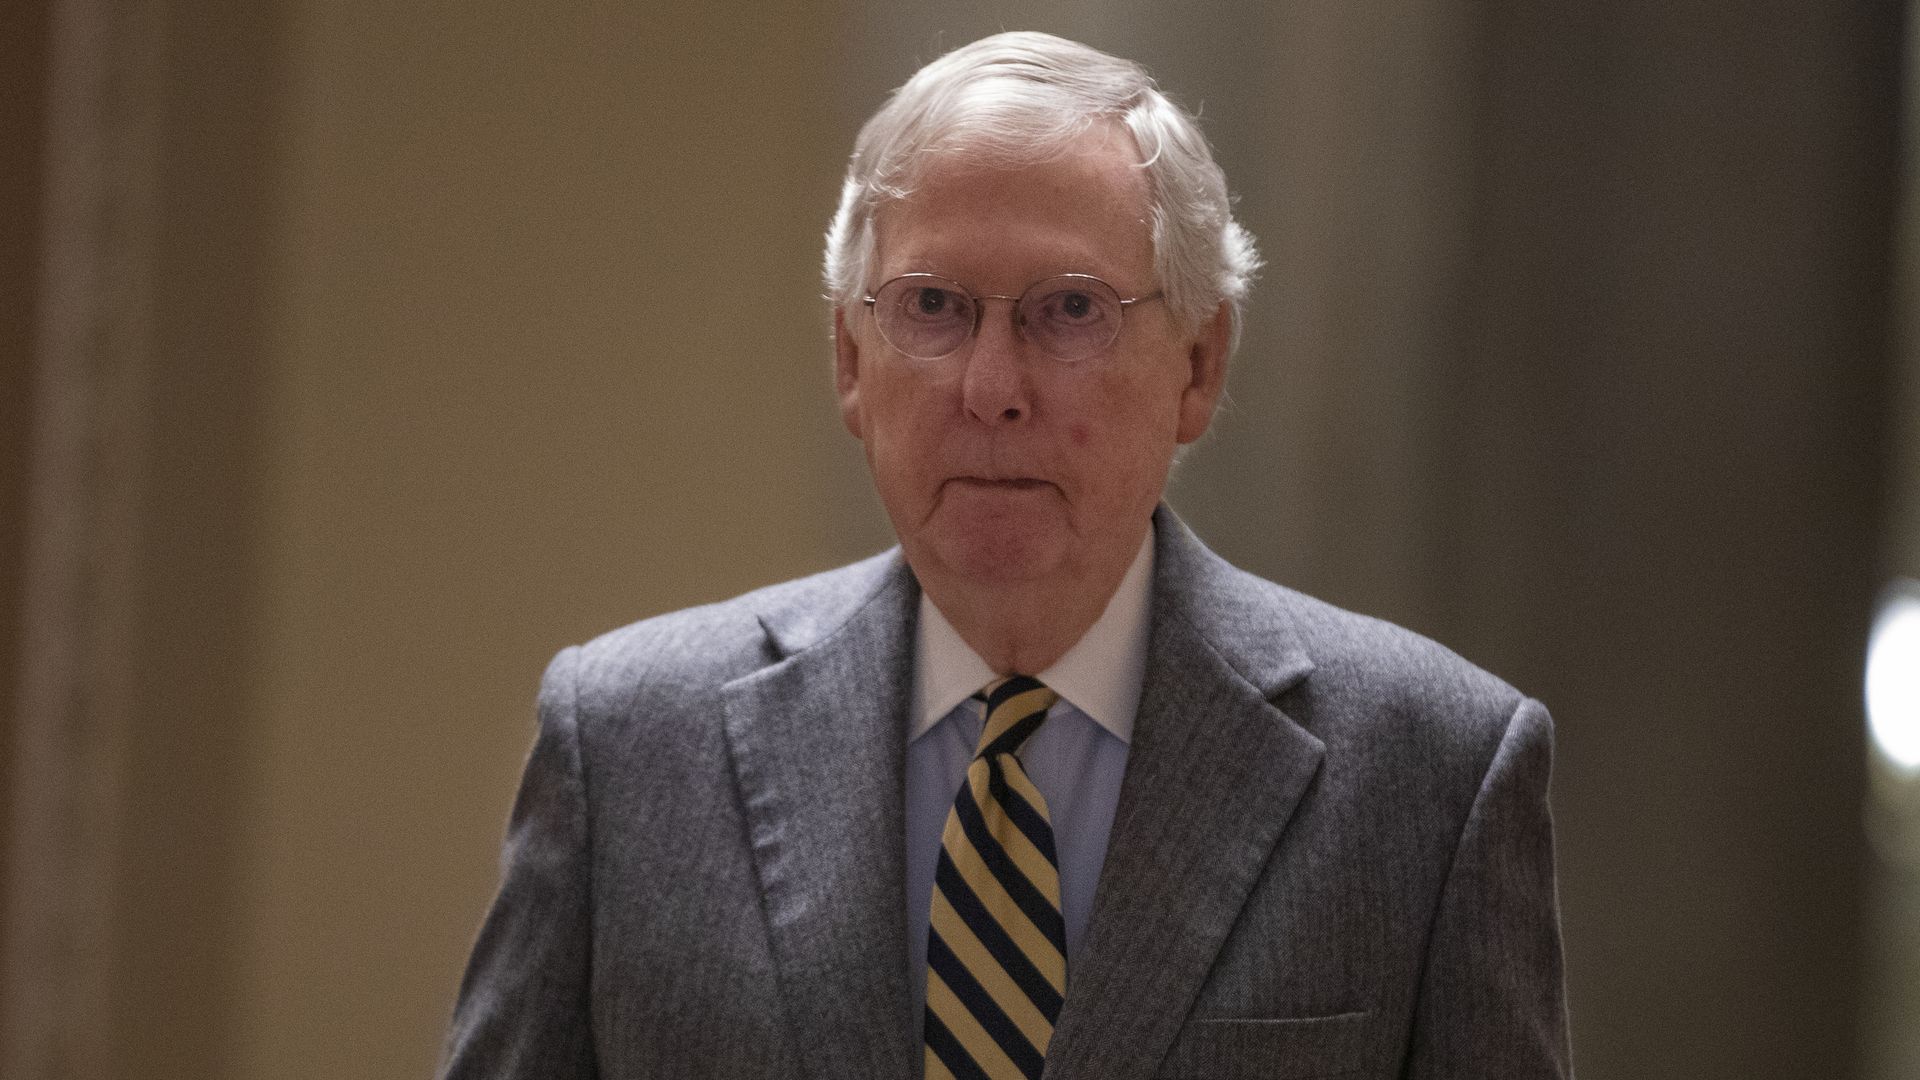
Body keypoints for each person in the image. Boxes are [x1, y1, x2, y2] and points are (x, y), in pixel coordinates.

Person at [439, 31, 1571, 1080]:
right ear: (849, 359)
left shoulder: (1431, 774)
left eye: (1069, 311)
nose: (991, 389)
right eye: (932, 305)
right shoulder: (628, 748)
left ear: (1200, 364)